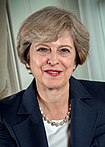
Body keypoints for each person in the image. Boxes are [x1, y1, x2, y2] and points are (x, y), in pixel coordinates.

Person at [0, 6, 105, 147]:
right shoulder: (4, 115)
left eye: (64, 50)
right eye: (43, 49)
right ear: (27, 56)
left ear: (76, 59)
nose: (53, 60)